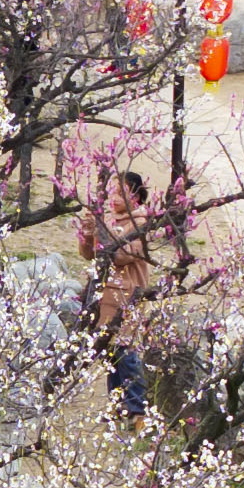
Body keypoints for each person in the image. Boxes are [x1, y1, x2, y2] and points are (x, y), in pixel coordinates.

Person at [78, 168, 154, 419]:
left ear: (136, 196)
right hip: (106, 296)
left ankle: (136, 409)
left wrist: (102, 229)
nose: (115, 197)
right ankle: (117, 406)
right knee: (111, 354)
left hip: (127, 297)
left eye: (122, 192)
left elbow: (121, 257)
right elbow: (89, 255)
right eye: (112, 191)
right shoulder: (111, 221)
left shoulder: (141, 223)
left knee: (127, 354)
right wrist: (88, 231)